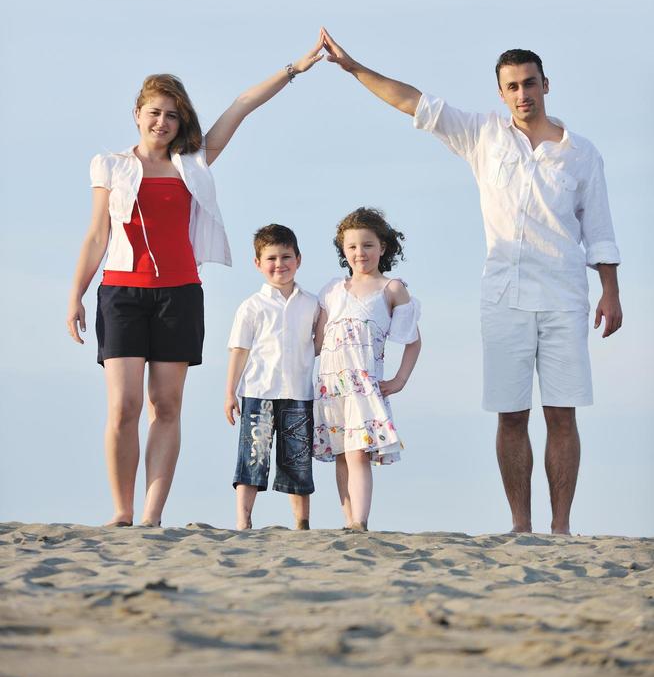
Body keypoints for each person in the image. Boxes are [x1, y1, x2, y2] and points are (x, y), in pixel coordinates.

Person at [320, 28, 622, 535]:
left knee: (562, 414)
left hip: (565, 297)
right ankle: (521, 527)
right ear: (501, 93)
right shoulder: (483, 135)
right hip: (502, 297)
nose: (523, 94)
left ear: (546, 85)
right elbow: (414, 102)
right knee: (510, 414)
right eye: (512, 86)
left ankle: (561, 528)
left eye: (530, 83)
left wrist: (610, 291)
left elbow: (600, 230)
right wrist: (354, 68)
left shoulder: (581, 154)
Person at [66, 41, 323, 527]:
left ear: (181, 122)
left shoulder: (194, 162)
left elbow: (242, 106)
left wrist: (296, 68)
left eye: (171, 116)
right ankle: (121, 511)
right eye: (154, 113)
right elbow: (97, 232)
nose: (162, 122)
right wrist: (75, 294)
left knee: (166, 404)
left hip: (180, 294)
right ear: (137, 114)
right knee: (123, 405)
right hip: (121, 293)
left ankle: (150, 514)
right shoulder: (111, 165)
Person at [313, 207, 421, 531]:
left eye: (368, 245)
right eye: (352, 247)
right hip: (330, 386)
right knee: (342, 454)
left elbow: (413, 340)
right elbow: (317, 341)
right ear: (343, 251)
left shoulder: (391, 289)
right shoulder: (332, 289)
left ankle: (360, 521)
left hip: (362, 385)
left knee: (358, 452)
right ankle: (348, 520)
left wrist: (400, 379)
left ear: (383, 247)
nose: (360, 253)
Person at [224, 224, 319, 530]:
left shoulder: (312, 303)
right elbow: (239, 350)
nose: (280, 264)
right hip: (258, 392)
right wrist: (230, 392)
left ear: (299, 259)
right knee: (253, 458)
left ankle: (302, 523)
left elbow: (318, 345)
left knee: (298, 462)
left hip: (298, 393)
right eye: (272, 258)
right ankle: (243, 521)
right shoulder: (251, 307)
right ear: (258, 264)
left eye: (286, 257)